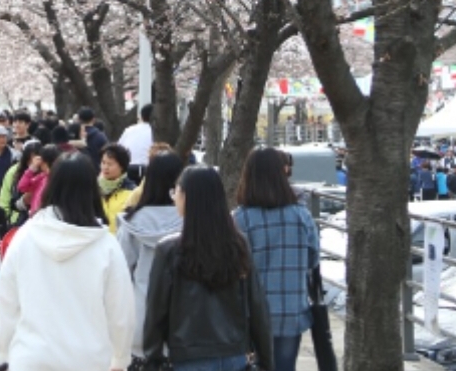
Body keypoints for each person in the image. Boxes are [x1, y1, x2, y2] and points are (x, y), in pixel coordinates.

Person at [0, 153, 135, 371]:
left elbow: (5, 301)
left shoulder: (26, 237)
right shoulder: (106, 246)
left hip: (31, 358)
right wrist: (120, 357)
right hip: (89, 361)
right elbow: (121, 311)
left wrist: (0, 353)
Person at [143, 165, 273, 371]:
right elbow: (257, 305)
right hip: (234, 355)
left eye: (175, 191)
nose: (174, 197)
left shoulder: (169, 250)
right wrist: (266, 361)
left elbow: (155, 313)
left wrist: (153, 359)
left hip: (188, 356)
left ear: (187, 197)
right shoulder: (238, 245)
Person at [234, 147, 319, 371]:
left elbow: (234, 268)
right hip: (292, 312)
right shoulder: (302, 216)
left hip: (252, 315)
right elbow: (313, 260)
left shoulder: (241, 218)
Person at [115, 152, 184, 367]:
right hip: (185, 321)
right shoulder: (191, 221)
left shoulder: (132, 222)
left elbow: (121, 272)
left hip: (142, 319)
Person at [100, 143, 136, 234]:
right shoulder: (95, 188)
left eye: (110, 164)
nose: (105, 167)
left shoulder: (131, 192)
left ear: (122, 166)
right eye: (103, 163)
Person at [16, 144, 62, 216]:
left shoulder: (57, 178)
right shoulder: (41, 177)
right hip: (37, 217)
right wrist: (31, 169)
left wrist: (31, 169)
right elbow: (22, 187)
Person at [119, 104, 154, 184]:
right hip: (148, 169)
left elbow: (119, 147)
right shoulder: (156, 132)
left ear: (141, 116)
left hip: (129, 168)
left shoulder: (129, 130)